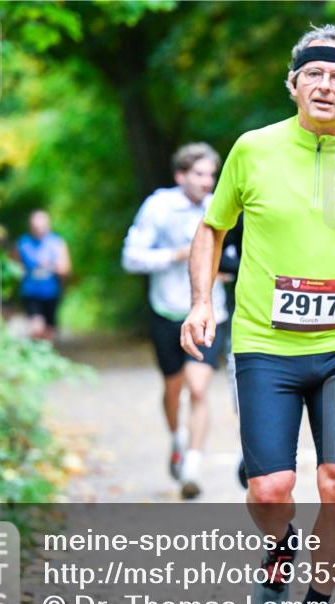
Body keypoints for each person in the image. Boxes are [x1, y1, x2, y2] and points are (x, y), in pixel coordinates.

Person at [182, 25, 335, 604]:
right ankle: (280, 543)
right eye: (314, 73)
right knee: (270, 490)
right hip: (265, 345)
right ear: (293, 84)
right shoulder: (252, 150)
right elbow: (212, 229)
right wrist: (203, 301)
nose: (325, 85)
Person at [122, 143, 228, 500]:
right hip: (167, 311)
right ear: (180, 175)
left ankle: (192, 469)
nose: (207, 182)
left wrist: (228, 269)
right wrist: (177, 255)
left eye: (211, 175)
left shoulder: (220, 205)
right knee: (174, 388)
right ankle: (178, 440)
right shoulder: (158, 207)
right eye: (199, 174)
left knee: (198, 388)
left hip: (210, 312)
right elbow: (131, 258)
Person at [17, 209, 71, 341]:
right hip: (31, 292)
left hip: (51, 293)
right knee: (36, 328)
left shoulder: (57, 242)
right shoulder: (23, 243)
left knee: (49, 332)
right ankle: (35, 354)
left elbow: (65, 268)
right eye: (35, 226)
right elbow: (15, 267)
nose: (38, 229)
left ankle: (45, 356)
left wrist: (52, 267)